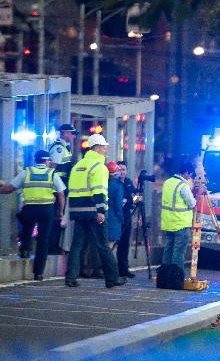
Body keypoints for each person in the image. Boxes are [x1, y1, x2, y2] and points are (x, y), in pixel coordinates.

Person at [64, 134, 126, 288]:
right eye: (104, 148)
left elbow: (71, 189)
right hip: (93, 210)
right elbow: (98, 191)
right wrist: (100, 211)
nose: (106, 150)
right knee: (103, 245)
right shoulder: (99, 167)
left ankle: (70, 277)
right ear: (96, 148)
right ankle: (112, 278)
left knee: (77, 245)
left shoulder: (78, 165)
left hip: (78, 210)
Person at [0, 150, 66, 280]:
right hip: (46, 209)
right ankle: (38, 273)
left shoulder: (26, 172)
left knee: (26, 227)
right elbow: (61, 194)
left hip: (29, 208)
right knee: (43, 240)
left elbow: (10, 188)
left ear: (35, 160)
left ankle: (25, 250)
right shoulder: (52, 174)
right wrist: (61, 211)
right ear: (47, 161)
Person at [160, 162, 197, 270]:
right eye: (190, 174)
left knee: (168, 250)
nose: (190, 177)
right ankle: (176, 276)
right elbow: (192, 203)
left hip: (168, 223)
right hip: (181, 224)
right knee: (178, 253)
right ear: (186, 173)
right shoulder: (183, 186)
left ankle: (165, 275)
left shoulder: (167, 182)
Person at [46, 123, 77, 254]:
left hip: (62, 186)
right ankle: (52, 246)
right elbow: (53, 167)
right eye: (72, 133)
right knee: (57, 215)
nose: (73, 136)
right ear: (65, 133)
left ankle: (55, 245)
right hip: (58, 187)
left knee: (60, 215)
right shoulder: (59, 148)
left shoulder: (64, 147)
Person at [116, 160, 137, 277]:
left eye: (123, 169)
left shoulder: (128, 182)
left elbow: (133, 197)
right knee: (112, 243)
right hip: (116, 217)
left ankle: (123, 269)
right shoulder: (114, 182)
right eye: (119, 169)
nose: (122, 172)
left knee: (124, 244)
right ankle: (105, 268)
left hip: (127, 216)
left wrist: (136, 199)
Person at [105, 162, 125, 250]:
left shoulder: (104, 183)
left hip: (103, 215)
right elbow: (118, 204)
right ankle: (107, 263)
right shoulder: (118, 185)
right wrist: (121, 217)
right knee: (110, 243)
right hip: (114, 218)